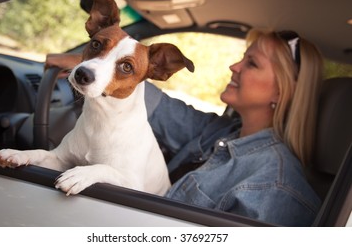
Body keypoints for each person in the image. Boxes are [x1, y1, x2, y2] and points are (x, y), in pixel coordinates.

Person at [45, 29, 323, 226]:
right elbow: (158, 104)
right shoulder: (220, 132)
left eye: (252, 63)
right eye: (242, 56)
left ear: (281, 91)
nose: (234, 66)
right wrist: (93, 67)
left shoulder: (276, 187)